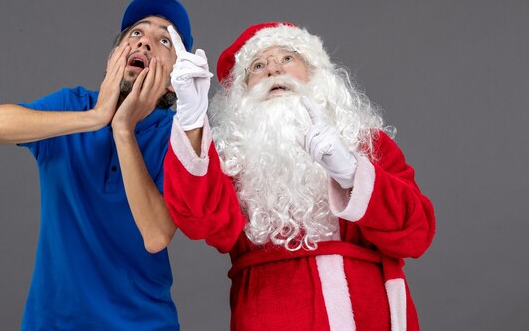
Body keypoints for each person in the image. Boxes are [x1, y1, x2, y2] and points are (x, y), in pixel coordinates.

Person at [164, 22, 436, 331]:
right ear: (241, 92)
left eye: (287, 58)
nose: (272, 70)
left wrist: (351, 173)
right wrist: (191, 118)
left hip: (369, 316)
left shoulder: (366, 144)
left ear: (315, 72)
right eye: (258, 65)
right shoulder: (231, 159)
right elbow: (202, 222)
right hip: (270, 315)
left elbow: (417, 234)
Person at [0, 0, 194, 331]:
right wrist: (94, 118)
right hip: (53, 323)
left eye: (164, 40)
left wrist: (123, 130)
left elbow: (156, 235)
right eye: (136, 33)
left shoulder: (176, 136)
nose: (145, 43)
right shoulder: (71, 104)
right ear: (112, 58)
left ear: (175, 79)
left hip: (145, 323)